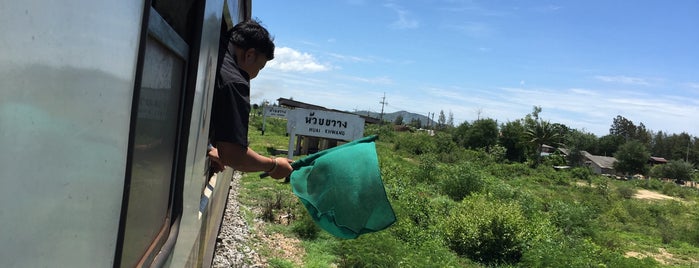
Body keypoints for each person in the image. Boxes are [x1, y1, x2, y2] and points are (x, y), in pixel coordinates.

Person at [208, 19, 293, 179]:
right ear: (249, 55)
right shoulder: (235, 81)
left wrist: (208, 148)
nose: (256, 74)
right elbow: (233, 155)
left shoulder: (214, 49)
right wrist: (273, 165)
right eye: (260, 67)